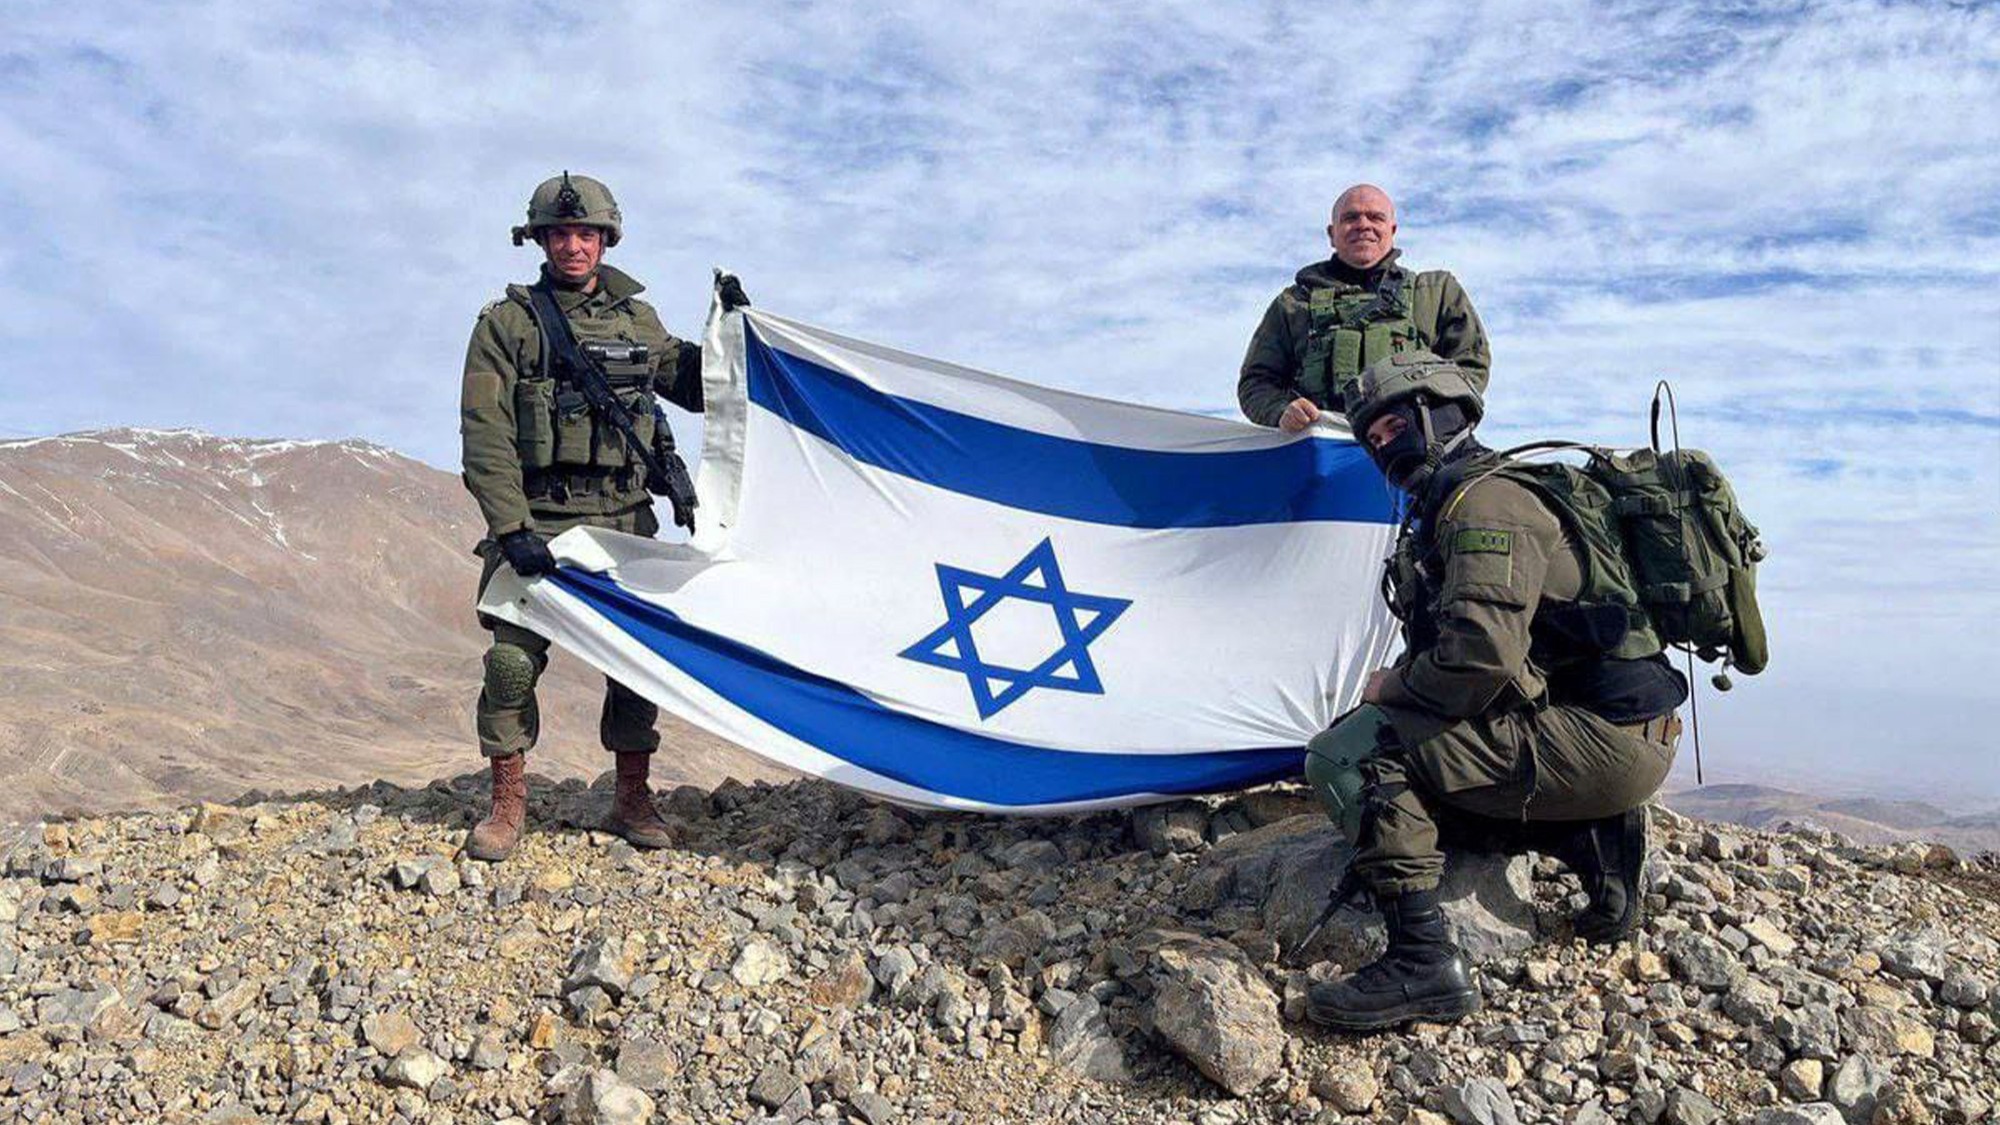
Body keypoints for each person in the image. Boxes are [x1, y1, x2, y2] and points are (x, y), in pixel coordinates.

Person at [1300, 351, 1686, 1030]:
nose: (1384, 447)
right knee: (1405, 761)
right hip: (1612, 733)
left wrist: (1391, 689)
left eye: (1394, 427)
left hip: (1605, 741)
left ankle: (1423, 962)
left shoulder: (1485, 503)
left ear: (1438, 414)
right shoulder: (1461, 497)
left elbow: (1479, 660)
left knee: (1350, 758)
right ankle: (1592, 836)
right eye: (1373, 438)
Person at [457, 171, 748, 862]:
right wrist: (511, 526)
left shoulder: (635, 321)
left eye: (585, 233)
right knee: (508, 665)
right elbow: (485, 434)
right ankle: (507, 804)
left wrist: (738, 337)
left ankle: (631, 797)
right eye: (559, 233)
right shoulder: (507, 326)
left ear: (605, 238)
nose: (573, 246)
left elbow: (698, 387)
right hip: (541, 520)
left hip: (624, 519)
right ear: (539, 239)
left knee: (635, 667)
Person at [1238, 184, 1489, 433]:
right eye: (1350, 218)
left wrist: (1430, 419)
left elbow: (1470, 367)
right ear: (1331, 234)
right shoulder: (1292, 304)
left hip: (1416, 454)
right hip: (1323, 452)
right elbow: (1256, 383)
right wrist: (1281, 410)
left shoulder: (1436, 292)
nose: (1363, 225)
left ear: (1392, 230)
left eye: (1375, 217)